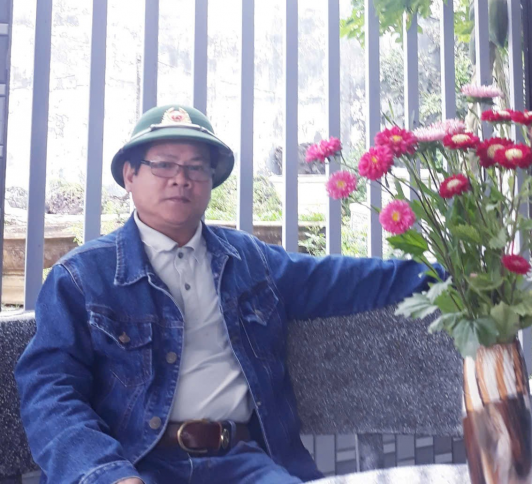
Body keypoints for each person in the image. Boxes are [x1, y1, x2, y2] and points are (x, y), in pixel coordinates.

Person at [15, 104, 443, 484]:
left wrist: (449, 277)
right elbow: (50, 393)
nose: (181, 179)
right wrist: (106, 474)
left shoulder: (250, 262)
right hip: (135, 463)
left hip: (243, 463)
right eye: (164, 165)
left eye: (196, 167)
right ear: (130, 175)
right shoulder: (81, 277)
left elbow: (348, 280)